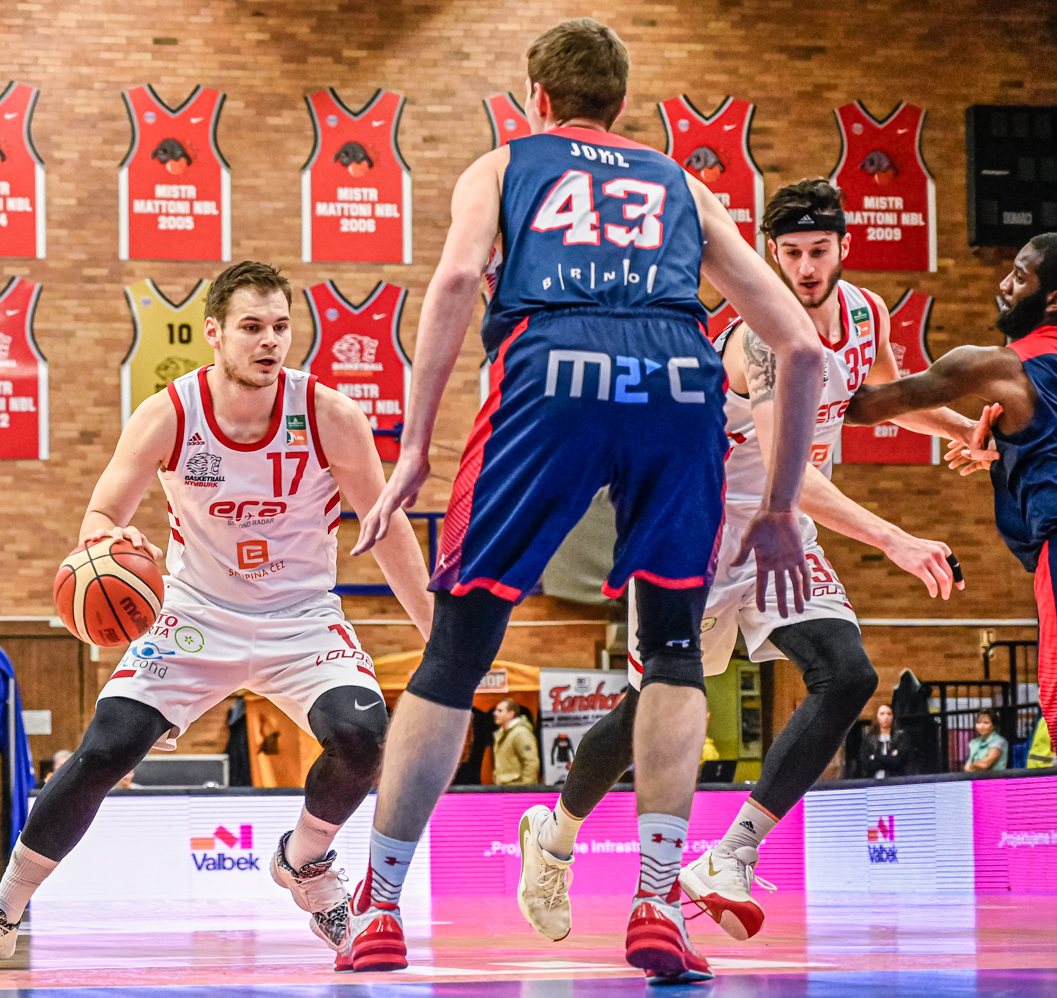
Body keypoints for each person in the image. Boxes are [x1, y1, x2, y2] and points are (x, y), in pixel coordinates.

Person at [346, 19, 825, 983]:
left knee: (457, 649)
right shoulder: (682, 184)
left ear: (536, 98)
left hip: (551, 367)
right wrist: (778, 506)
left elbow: (455, 281)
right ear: (621, 102)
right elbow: (802, 347)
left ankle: (380, 908)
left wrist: (413, 449)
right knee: (675, 655)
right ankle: (656, 903)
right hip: (678, 379)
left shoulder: (504, 163)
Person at [0, 261, 435, 972]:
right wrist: (110, 540)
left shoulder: (330, 416)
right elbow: (102, 512)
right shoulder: (169, 413)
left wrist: (439, 635)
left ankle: (306, 863)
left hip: (301, 618)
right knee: (104, 749)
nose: (269, 341)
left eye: (280, 327)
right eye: (252, 327)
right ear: (214, 333)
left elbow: (386, 528)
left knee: (363, 736)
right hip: (197, 616)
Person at [511, 178, 980, 949]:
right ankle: (554, 838)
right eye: (790, 253)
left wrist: (962, 429)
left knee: (847, 674)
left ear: (844, 247)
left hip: (777, 538)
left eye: (818, 250)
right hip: (692, 536)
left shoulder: (864, 313)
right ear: (769, 254)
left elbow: (878, 398)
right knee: (650, 716)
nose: (806, 267)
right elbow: (784, 469)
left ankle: (731, 854)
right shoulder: (759, 337)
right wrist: (893, 538)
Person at [847, 232, 1057, 736]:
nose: (1003, 285)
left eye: (1020, 276)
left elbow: (864, 407)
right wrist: (1009, 450)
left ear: (1052, 298)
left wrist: (792, 347)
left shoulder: (997, 367)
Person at [493, 699, 540, 785]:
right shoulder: (502, 734)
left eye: (500, 711)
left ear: (511, 714)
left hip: (516, 787)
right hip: (505, 787)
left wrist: (526, 787)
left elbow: (531, 761)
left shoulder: (520, 733)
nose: (495, 714)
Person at [861, 704, 910, 779]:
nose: (886, 717)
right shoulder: (869, 739)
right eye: (882, 714)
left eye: (889, 714)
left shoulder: (901, 737)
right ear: (877, 716)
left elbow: (897, 761)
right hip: (873, 781)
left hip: (896, 780)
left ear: (893, 716)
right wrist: (889, 758)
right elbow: (867, 765)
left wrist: (875, 757)